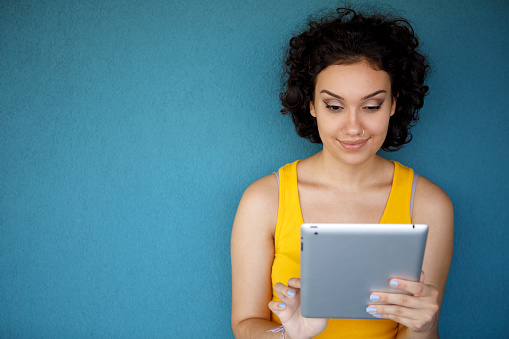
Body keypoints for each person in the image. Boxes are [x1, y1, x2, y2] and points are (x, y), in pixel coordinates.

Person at [231, 7, 454, 339]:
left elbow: (416, 334)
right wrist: (287, 335)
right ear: (311, 105)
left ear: (394, 104)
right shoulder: (263, 200)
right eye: (334, 106)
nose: (353, 127)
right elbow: (245, 324)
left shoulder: (430, 205)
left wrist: (425, 326)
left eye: (372, 105)